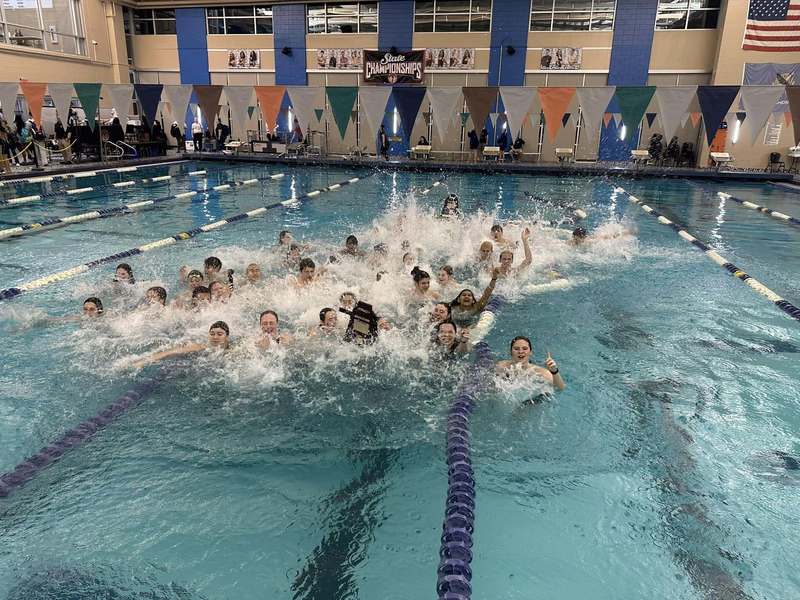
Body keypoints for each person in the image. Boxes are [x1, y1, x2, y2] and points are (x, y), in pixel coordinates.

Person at [133, 321, 231, 368]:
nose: (215, 337)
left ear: (227, 336)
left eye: (219, 334)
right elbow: (170, 352)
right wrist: (144, 361)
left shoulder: (232, 349)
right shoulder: (201, 347)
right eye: (212, 334)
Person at [495, 336, 565, 390]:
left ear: (531, 352)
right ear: (510, 352)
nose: (521, 351)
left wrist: (554, 371)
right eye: (516, 349)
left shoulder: (539, 372)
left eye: (525, 348)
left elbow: (560, 388)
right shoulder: (502, 366)